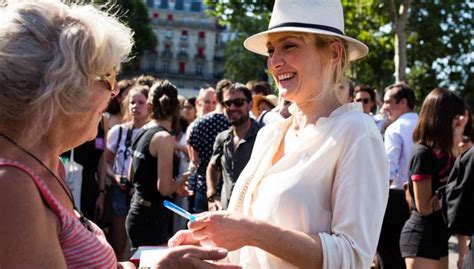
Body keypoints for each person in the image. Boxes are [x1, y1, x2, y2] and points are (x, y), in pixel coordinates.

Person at [0, 1, 238, 268]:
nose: (114, 92)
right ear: (64, 89)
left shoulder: (45, 166)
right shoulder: (11, 186)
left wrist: (154, 265)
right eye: (108, 77)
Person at [170, 1, 389, 268]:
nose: (274, 62)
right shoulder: (271, 132)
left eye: (289, 46)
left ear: (333, 52)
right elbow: (249, 237)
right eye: (271, 50)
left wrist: (252, 231)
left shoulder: (357, 132)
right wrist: (205, 242)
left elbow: (353, 257)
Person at [400, 88, 468, 269]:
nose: (458, 123)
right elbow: (425, 207)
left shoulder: (446, 152)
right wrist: (456, 186)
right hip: (421, 237)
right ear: (442, 118)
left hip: (438, 236)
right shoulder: (422, 153)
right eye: (455, 118)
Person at [125, 80, 190, 248]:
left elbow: (131, 175)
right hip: (150, 217)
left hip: (136, 211)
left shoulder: (143, 130)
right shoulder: (164, 138)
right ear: (177, 107)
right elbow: (164, 188)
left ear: (150, 105)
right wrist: (182, 179)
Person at [106, 85, 150, 260]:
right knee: (117, 243)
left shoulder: (153, 134)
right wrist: (115, 177)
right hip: (119, 189)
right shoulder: (118, 131)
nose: (135, 106)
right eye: (132, 102)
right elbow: (106, 163)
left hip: (141, 194)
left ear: (149, 106)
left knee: (139, 247)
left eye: (141, 102)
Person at [377, 83, 418, 269]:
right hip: (424, 201)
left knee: (391, 255)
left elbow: (388, 173)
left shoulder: (395, 129)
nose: (384, 107)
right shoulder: (424, 125)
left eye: (388, 102)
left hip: (396, 202)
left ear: (403, 103)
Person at [206, 83, 260, 211]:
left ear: (250, 105)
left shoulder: (263, 136)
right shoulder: (223, 138)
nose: (232, 107)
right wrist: (212, 196)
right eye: (227, 103)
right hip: (226, 212)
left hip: (252, 215)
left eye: (238, 102)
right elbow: (212, 166)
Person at [187, 79, 231, 213]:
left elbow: (194, 160)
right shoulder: (233, 124)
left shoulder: (198, 123)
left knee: (198, 231)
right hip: (225, 189)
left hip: (203, 187)